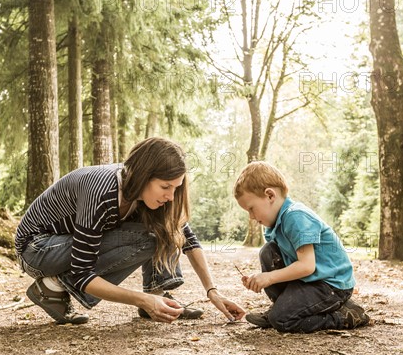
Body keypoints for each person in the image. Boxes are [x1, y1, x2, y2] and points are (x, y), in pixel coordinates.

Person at [15, 137, 245, 325]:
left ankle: (157, 295)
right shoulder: (101, 193)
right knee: (149, 237)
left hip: (60, 244)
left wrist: (212, 291)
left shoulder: (143, 195)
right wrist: (140, 300)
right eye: (165, 187)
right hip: (37, 248)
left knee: (166, 227)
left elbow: (187, 239)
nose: (170, 196)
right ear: (143, 176)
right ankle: (52, 286)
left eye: (175, 188)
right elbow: (82, 274)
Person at [233, 161, 369, 333]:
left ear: (270, 195)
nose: (251, 216)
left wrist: (269, 277)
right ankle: (282, 307)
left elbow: (307, 266)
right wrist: (261, 277)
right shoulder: (275, 225)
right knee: (268, 252)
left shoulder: (296, 217)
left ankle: (344, 315)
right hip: (310, 281)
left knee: (282, 321)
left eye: (251, 209)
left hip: (330, 285)